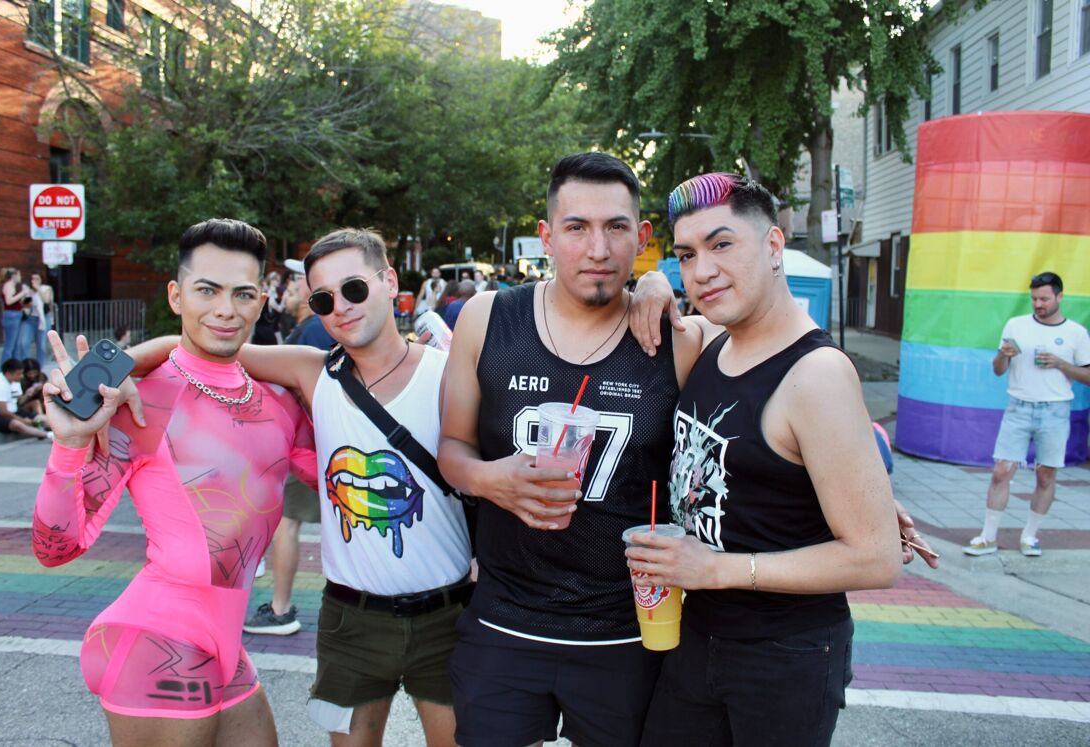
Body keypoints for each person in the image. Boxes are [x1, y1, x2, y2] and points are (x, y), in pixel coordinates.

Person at [131, 228, 472, 745]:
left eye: (354, 288)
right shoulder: (313, 372)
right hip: (351, 622)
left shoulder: (451, 374)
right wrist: (107, 375)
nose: (342, 307)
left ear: (389, 282)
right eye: (323, 299)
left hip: (448, 617)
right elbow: (198, 349)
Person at [621, 173, 901, 746]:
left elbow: (876, 558)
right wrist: (650, 281)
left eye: (722, 244)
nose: (702, 271)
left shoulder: (816, 375)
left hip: (785, 653)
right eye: (686, 255)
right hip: (694, 635)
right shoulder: (714, 340)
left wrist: (717, 570)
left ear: (774, 246)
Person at [437, 152, 703, 747]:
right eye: (577, 227)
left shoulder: (679, 341)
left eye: (616, 228)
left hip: (628, 631)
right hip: (505, 621)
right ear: (547, 236)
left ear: (643, 238)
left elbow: (761, 393)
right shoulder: (487, 319)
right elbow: (451, 447)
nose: (597, 249)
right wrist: (490, 479)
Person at [32, 218, 317, 745]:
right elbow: (55, 548)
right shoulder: (142, 402)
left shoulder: (280, 404)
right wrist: (69, 445)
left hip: (225, 648)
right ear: (176, 296)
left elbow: (340, 484)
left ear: (262, 302)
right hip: (156, 640)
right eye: (207, 290)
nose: (226, 309)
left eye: (242, 294)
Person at [963, 272, 1090, 557]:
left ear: (1059, 297)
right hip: (1018, 406)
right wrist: (1004, 355)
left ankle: (1030, 536)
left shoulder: (1076, 333)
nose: (1038, 304)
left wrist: (1060, 364)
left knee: (1045, 475)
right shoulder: (1016, 325)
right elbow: (998, 370)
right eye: (1034, 299)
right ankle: (987, 537)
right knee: (1001, 471)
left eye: (1044, 299)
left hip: (1055, 410)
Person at [244, 257, 333, 637]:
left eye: (297, 282)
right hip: (314, 443)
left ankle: (281, 609)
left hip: (308, 444)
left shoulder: (313, 330)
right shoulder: (316, 327)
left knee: (286, 523)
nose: (290, 288)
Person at [0, 357, 49, 440]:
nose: (21, 376)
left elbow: (19, 402)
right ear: (8, 374)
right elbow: (3, 412)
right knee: (16, 424)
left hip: (14, 411)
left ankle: (58, 430)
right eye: (19, 374)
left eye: (22, 373)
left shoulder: (15, 382)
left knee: (43, 419)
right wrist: (23, 420)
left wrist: (27, 394)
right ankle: (47, 434)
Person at [0, 268, 32, 366]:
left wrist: (26, 296)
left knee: (15, 346)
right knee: (9, 346)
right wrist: (23, 293)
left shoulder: (13, 286)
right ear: (14, 276)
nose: (20, 277)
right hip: (11, 315)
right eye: (19, 275)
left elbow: (20, 302)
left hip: (16, 314)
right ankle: (3, 369)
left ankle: (16, 367)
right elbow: (9, 301)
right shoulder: (8, 285)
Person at [26, 273, 54, 366]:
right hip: (31, 318)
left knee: (41, 344)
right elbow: (25, 304)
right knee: (24, 342)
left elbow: (46, 300)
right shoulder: (28, 290)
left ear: (41, 279)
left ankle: (41, 365)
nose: (35, 281)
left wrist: (38, 289)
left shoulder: (46, 288)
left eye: (37, 279)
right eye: (33, 279)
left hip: (43, 318)